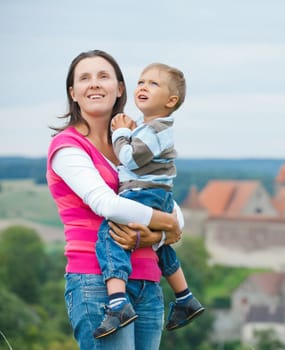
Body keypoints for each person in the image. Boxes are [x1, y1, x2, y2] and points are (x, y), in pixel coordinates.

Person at [47, 49, 182, 350]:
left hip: (147, 280)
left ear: (119, 89)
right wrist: (168, 226)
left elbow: (164, 196)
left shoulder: (134, 143)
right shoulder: (67, 147)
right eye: (85, 78)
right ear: (74, 93)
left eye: (103, 76)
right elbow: (106, 204)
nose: (94, 84)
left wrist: (164, 230)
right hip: (97, 281)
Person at [94, 63, 204, 339]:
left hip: (144, 192)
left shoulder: (156, 130)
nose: (143, 86)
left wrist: (120, 132)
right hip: (159, 195)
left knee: (110, 235)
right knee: (162, 247)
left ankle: (117, 303)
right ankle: (184, 297)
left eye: (153, 84)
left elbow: (129, 158)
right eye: (141, 81)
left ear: (171, 100)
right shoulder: (152, 128)